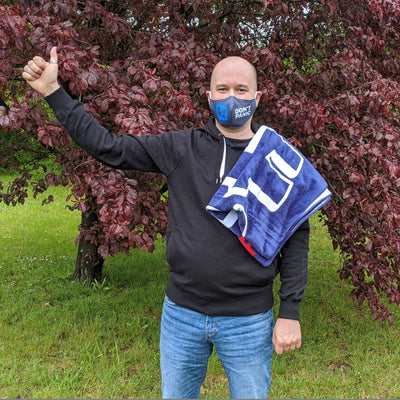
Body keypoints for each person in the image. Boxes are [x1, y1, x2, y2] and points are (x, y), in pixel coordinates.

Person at [22, 47, 310, 399]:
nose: (231, 97)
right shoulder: (181, 147)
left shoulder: (277, 160)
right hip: (182, 315)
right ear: (209, 96)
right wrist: (53, 92)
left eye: (241, 89)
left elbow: (296, 238)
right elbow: (109, 148)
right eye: (222, 89)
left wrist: (290, 312)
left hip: (248, 320)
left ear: (257, 97)